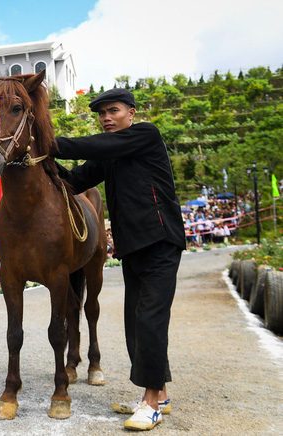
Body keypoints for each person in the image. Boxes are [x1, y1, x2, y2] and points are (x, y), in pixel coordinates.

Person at [54, 88, 185, 431]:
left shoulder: (145, 135)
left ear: (131, 112)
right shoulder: (109, 155)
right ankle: (161, 393)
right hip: (131, 247)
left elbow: (100, 145)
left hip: (160, 241)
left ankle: (151, 403)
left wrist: (54, 142)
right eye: (101, 114)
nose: (106, 117)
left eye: (113, 111)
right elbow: (75, 179)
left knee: (150, 320)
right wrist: (40, 162)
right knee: (136, 323)